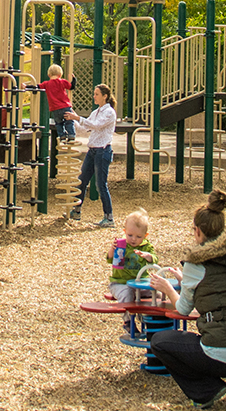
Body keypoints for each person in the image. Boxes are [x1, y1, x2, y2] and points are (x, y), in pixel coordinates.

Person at [148, 190, 226, 409]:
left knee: (160, 341)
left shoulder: (197, 264)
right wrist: (187, 280)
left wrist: (168, 288)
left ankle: (207, 390)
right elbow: (222, 288)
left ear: (197, 231)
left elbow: (184, 309)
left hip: (224, 353)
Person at [64, 84, 117, 227]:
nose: (94, 96)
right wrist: (72, 119)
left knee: (101, 184)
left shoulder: (109, 112)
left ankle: (109, 217)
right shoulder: (96, 112)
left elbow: (96, 125)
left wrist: (78, 117)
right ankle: (76, 210)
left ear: (105, 96)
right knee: (82, 180)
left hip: (103, 150)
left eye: (97, 94)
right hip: (93, 150)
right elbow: (83, 129)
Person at [107, 208, 158, 303]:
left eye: (138, 237)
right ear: (124, 232)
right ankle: (128, 317)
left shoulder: (146, 246)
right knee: (127, 294)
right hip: (121, 282)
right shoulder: (121, 244)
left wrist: (148, 256)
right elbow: (110, 259)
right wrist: (112, 250)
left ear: (145, 235)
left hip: (140, 282)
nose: (133, 239)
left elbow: (155, 259)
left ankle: (148, 316)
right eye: (130, 235)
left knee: (156, 294)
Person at [38, 64, 76, 141]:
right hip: (65, 106)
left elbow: (37, 86)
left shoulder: (46, 84)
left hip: (55, 109)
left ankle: (62, 135)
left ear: (49, 75)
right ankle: (71, 135)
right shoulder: (62, 82)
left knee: (59, 123)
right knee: (69, 121)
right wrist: (74, 79)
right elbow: (71, 87)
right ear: (60, 74)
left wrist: (26, 86)